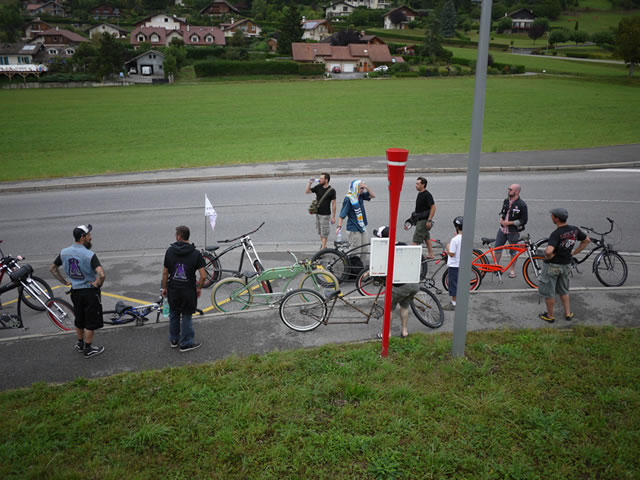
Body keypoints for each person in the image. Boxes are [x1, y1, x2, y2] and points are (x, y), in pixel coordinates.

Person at [50, 224, 106, 358]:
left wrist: (64, 282)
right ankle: (88, 349)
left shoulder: (64, 252)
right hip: (89, 292)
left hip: (75, 292)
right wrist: (98, 284)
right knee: (90, 321)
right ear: (83, 237)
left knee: (79, 319)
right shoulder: (89, 255)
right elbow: (102, 274)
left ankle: (80, 344)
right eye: (89, 235)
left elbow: (53, 268)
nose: (90, 238)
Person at [539, 208, 590, 323]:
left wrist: (549, 257)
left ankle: (550, 315)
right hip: (566, 265)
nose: (551, 217)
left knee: (549, 291)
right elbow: (586, 240)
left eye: (552, 215)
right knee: (564, 290)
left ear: (556, 218)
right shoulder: (574, 230)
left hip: (553, 266)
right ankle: (568, 313)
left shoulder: (556, 234)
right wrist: (574, 252)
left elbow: (548, 251)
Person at [161, 225, 206, 352]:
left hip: (173, 289)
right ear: (187, 237)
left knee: (174, 313)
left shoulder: (169, 251)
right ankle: (186, 342)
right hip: (188, 290)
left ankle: (174, 340)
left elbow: (165, 273)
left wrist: (164, 287)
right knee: (186, 315)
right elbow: (203, 276)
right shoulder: (196, 253)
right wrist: (199, 288)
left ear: (178, 236)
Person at [373, 226, 419, 338]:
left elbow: (380, 270)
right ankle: (404, 332)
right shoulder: (403, 245)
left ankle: (387, 334)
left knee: (389, 309)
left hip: (399, 286)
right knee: (404, 307)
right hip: (412, 283)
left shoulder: (385, 250)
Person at [494, 184, 528, 278]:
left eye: (510, 189)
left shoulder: (522, 205)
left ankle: (512, 270)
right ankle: (496, 267)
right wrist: (501, 218)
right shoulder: (506, 201)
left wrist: (509, 223)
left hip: (513, 232)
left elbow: (523, 220)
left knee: (513, 251)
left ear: (517, 192)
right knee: (497, 248)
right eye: (508, 189)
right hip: (502, 230)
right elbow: (502, 211)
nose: (508, 190)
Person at [336, 179, 376, 251]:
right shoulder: (349, 198)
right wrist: (339, 227)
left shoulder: (360, 196)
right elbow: (342, 215)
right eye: (361, 188)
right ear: (355, 187)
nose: (362, 190)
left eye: (363, 188)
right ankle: (353, 262)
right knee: (356, 251)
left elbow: (373, 195)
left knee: (365, 249)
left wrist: (366, 187)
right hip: (353, 228)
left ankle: (362, 262)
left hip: (362, 227)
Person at [406, 177, 437, 259]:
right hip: (420, 219)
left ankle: (410, 257)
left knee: (416, 239)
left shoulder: (427, 195)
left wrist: (429, 220)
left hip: (423, 221)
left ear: (423, 185)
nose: (416, 185)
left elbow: (433, 207)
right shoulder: (420, 193)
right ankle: (431, 254)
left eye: (418, 184)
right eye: (416, 183)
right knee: (426, 237)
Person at [305, 172, 336, 249]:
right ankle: (323, 246)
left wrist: (333, 217)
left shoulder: (332, 190)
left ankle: (323, 249)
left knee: (324, 232)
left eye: (321, 178)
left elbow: (334, 204)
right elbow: (307, 191)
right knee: (320, 231)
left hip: (325, 215)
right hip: (318, 214)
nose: (319, 180)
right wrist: (310, 183)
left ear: (326, 180)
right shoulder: (318, 187)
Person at [443, 216, 463, 311]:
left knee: (453, 284)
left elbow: (451, 253)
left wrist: (448, 246)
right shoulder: (465, 237)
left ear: (457, 227)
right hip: (462, 264)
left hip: (454, 265)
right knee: (459, 283)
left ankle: (454, 303)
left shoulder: (454, 240)